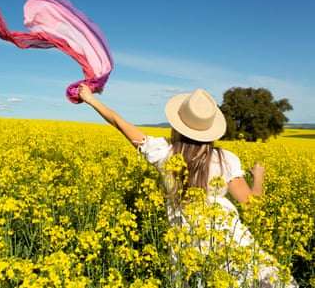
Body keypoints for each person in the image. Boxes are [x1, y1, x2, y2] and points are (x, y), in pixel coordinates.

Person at [78, 85, 298, 287]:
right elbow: (252, 204)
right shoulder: (225, 159)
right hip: (231, 240)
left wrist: (90, 99)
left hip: (188, 247)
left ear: (177, 125)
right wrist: (258, 176)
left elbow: (119, 123)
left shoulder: (163, 152)